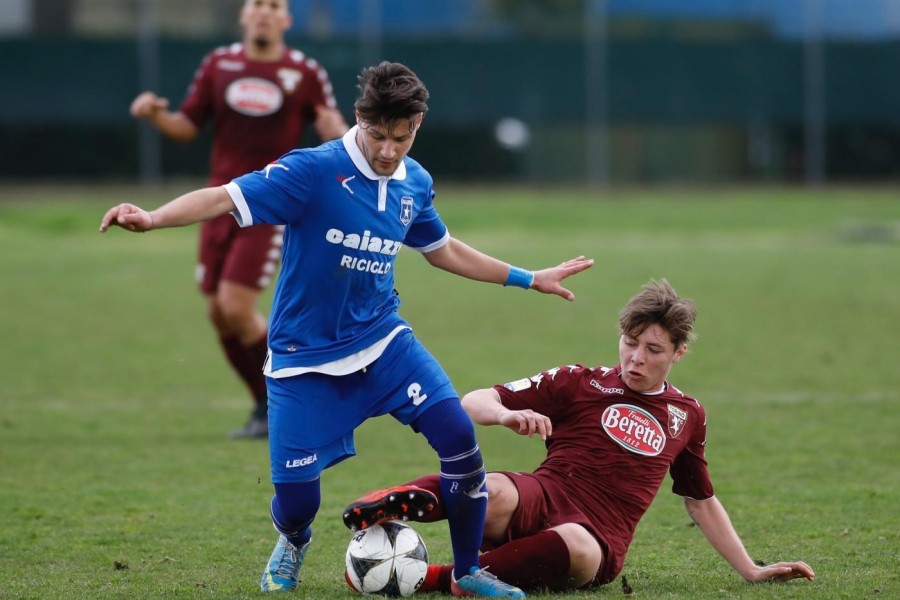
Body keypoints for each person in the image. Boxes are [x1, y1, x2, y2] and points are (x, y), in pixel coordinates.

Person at [101, 61, 594, 597]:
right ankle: (293, 538)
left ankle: (469, 571)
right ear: (359, 119)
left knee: (458, 438)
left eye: (401, 138)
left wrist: (529, 278)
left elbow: (443, 250)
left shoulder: (415, 182)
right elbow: (223, 196)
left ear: (417, 127)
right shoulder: (312, 171)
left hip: (384, 343)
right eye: (378, 136)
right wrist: (150, 217)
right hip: (303, 358)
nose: (388, 151)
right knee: (297, 501)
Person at [343, 279, 816, 594]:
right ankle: (391, 500)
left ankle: (438, 579)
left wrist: (750, 569)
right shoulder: (579, 381)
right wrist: (508, 417)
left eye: (653, 350)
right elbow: (473, 401)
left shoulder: (687, 414)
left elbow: (700, 500)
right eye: (630, 344)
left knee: (577, 542)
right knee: (497, 488)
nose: (635, 359)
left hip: (600, 536)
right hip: (544, 492)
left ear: (678, 354)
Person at [130, 0, 348, 439]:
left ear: (286, 19)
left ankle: (302, 395)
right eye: (257, 5)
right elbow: (187, 126)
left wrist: (338, 131)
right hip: (216, 201)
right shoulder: (219, 63)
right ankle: (264, 407)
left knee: (236, 306)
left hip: (270, 202)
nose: (264, 13)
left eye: (274, 6)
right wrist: (156, 116)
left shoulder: (304, 72)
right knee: (218, 312)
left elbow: (338, 134)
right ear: (243, 15)